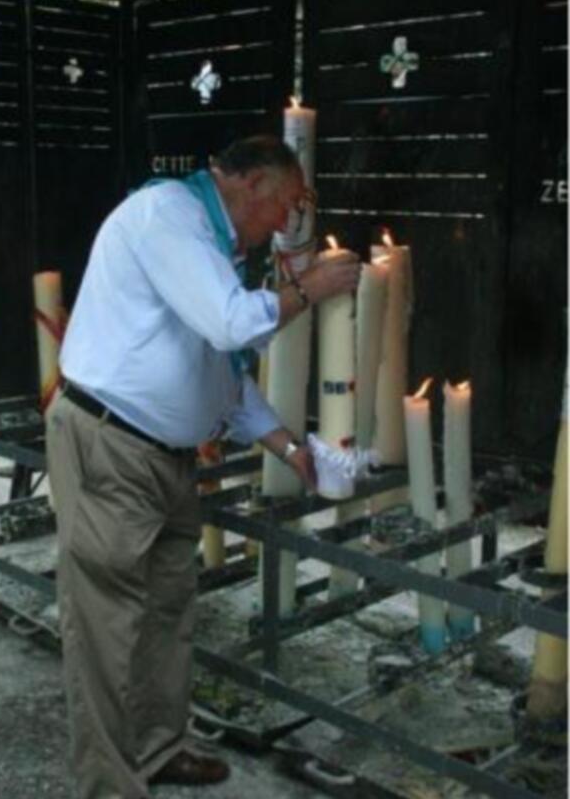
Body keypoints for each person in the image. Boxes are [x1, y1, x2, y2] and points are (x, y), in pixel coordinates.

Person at [46, 135, 361, 799]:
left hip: (167, 459)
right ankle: (109, 786)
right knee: (105, 624)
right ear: (251, 184)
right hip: (111, 446)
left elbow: (222, 376)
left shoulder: (213, 248)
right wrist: (308, 287)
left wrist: (290, 449)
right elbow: (230, 325)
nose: (288, 222)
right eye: (288, 204)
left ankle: (158, 748)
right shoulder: (169, 214)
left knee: (167, 612)